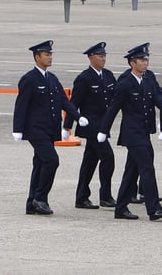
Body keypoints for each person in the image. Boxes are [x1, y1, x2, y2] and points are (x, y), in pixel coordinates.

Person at [97, 43, 162, 221]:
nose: (146, 63)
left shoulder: (149, 78)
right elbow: (114, 108)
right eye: (142, 60)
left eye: (147, 59)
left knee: (132, 171)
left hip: (144, 131)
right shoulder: (125, 82)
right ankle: (154, 208)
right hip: (132, 133)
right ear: (132, 62)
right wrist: (103, 131)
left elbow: (160, 100)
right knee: (147, 167)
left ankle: (120, 208)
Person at [13, 40, 84, 216]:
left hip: (49, 129)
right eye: (46, 54)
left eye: (51, 54)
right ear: (37, 57)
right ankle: (40, 198)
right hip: (35, 129)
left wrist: (77, 116)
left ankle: (31, 203)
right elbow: (21, 105)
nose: (50, 57)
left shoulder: (52, 78)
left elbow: (63, 101)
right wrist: (17, 129)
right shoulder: (29, 79)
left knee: (39, 163)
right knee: (52, 160)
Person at [63, 41, 116, 210]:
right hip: (91, 126)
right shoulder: (84, 78)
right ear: (91, 57)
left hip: (104, 125)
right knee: (108, 157)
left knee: (90, 161)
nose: (103, 59)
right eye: (100, 56)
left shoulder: (108, 75)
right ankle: (105, 196)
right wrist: (67, 126)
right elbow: (74, 103)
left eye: (104, 56)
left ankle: (81, 197)